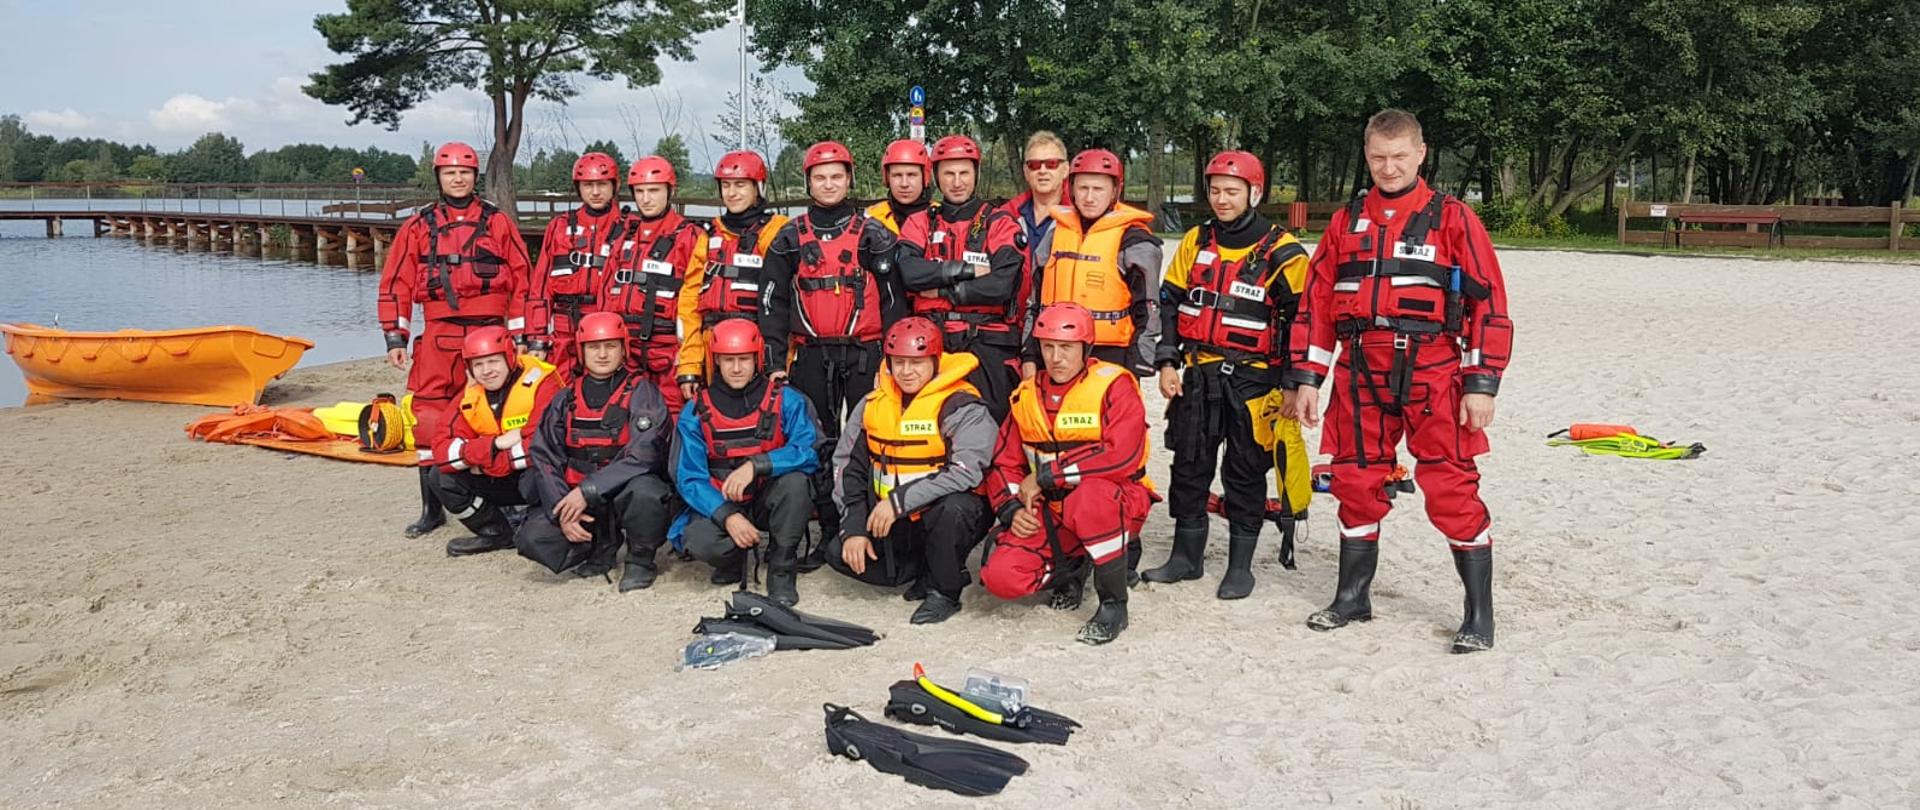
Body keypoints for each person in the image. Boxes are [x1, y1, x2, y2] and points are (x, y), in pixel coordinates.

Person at [1280, 109, 1515, 653]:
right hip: (1360, 369)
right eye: (1379, 157)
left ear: (1420, 154)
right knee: (1354, 482)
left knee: (1451, 488)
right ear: (1367, 156)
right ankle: (1352, 598)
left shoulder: (1453, 218)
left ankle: (1479, 614)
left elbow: (1489, 303)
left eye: (1399, 156)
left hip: (1433, 369)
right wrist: (1308, 378)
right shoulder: (1345, 221)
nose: (1389, 167)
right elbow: (1316, 306)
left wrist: (1482, 383)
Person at [1144, 150, 1312, 600]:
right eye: (1215, 190)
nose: (1221, 199)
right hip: (1197, 374)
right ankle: (1186, 558)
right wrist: (1166, 361)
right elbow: (1170, 305)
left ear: (1254, 193)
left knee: (1245, 471)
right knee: (1190, 466)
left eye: (1232, 191)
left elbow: (1303, 322)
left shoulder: (1285, 252)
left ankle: (1241, 567)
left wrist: (1296, 384)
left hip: (1254, 381)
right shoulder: (1196, 242)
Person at [377, 141, 536, 539]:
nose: (458, 178)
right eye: (450, 172)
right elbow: (396, 281)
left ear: (474, 176)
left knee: (496, 413)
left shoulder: (498, 223)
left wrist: (520, 335)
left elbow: (521, 279)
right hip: (439, 334)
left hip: (489, 334)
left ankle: (504, 500)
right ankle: (432, 508)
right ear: (439, 177)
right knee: (428, 419)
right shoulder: (418, 227)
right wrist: (395, 336)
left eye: (464, 172)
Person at [761, 140, 903, 569]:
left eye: (836, 177)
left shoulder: (875, 234)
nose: (828, 184)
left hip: (865, 353)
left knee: (868, 442)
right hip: (810, 356)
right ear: (808, 182)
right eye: (820, 177)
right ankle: (825, 528)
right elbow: (772, 303)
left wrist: (895, 362)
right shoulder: (788, 237)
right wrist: (773, 361)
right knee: (818, 442)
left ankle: (870, 528)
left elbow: (896, 300)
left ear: (849, 180)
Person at [980, 304, 1157, 645]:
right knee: (1000, 576)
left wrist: (1048, 475)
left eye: (1066, 347)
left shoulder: (1115, 386)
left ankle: (1113, 605)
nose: (1056, 357)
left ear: (1086, 348)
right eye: (1048, 347)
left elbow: (1123, 454)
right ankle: (1069, 572)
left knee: (1090, 497)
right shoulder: (1027, 396)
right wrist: (1011, 510)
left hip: (1117, 504)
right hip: (1053, 513)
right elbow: (1004, 464)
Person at [825, 317, 995, 624]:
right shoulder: (871, 404)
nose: (906, 372)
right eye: (898, 363)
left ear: (935, 360)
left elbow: (967, 472)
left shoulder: (962, 406)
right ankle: (925, 568)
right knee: (839, 552)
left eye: (916, 363)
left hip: (941, 513)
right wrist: (854, 527)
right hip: (893, 520)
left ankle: (945, 591)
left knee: (955, 509)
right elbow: (848, 466)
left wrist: (899, 501)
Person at [516, 312, 676, 591]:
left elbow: (644, 454)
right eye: (593, 347)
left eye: (610, 346)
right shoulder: (565, 397)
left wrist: (588, 490)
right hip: (581, 499)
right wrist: (561, 511)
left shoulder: (643, 392)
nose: (602, 354)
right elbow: (544, 456)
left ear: (624, 349)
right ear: (581, 350)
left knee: (647, 493)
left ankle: (640, 560)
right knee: (532, 537)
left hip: (622, 493)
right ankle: (596, 548)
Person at [673, 320, 822, 606]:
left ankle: (781, 567)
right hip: (721, 501)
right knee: (700, 540)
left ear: (757, 359)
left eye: (743, 359)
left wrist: (758, 463)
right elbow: (690, 478)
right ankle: (731, 559)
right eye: (728, 360)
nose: (737, 368)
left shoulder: (786, 400)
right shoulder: (695, 410)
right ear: (716, 361)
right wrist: (727, 515)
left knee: (797, 483)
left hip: (769, 499)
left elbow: (808, 451)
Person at [897, 134, 1030, 423]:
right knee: (928, 425)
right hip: (933, 342)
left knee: (993, 427)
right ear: (935, 176)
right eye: (949, 173)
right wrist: (966, 272)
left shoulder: (999, 223)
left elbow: (1001, 286)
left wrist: (942, 291)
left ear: (976, 174)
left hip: (986, 342)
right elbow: (908, 272)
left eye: (964, 173)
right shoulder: (920, 222)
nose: (957, 182)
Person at [1025, 148, 1162, 379]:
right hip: (1056, 352)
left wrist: (1140, 359)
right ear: (1072, 190)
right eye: (1083, 188)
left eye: (1098, 189)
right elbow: (1034, 302)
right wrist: (1029, 354)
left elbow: (1149, 308)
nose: (1089, 197)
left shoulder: (1134, 241)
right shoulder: (1054, 234)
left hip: (1111, 353)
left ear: (1114, 192)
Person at [426, 326, 562, 557]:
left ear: (510, 356)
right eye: (478, 364)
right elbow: (441, 451)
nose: (486, 371)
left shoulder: (543, 383)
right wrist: (495, 444)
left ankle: (543, 525)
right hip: (502, 466)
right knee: (441, 478)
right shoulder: (471, 395)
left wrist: (482, 461)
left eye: (493, 361)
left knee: (536, 476)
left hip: (538, 474)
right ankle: (496, 532)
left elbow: (543, 444)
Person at [600, 155, 707, 416]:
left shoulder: (689, 237)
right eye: (640, 192)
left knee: (673, 417)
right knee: (624, 415)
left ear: (670, 191)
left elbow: (695, 299)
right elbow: (606, 289)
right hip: (626, 349)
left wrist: (690, 358)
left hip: (668, 349)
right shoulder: (623, 235)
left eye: (654, 190)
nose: (646, 199)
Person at [693, 150, 790, 372]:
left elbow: (784, 299)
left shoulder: (778, 230)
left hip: (758, 343)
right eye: (726, 185)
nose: (732, 193)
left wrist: (779, 360)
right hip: (714, 345)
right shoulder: (709, 235)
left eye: (740, 185)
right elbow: (690, 301)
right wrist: (690, 363)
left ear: (758, 188)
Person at [529, 152, 625, 372]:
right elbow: (540, 286)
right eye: (588, 185)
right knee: (559, 392)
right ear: (578, 187)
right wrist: (537, 337)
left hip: (606, 330)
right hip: (564, 329)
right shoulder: (559, 226)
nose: (595, 192)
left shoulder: (629, 229)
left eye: (602, 184)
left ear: (614, 186)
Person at [1001, 131, 1069, 271]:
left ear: (1066, 170)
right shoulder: (1006, 216)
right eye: (1034, 165)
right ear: (1026, 171)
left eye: (1051, 164)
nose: (1042, 171)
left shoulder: (1081, 218)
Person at [865, 138, 933, 235]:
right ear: (887, 178)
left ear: (924, 177)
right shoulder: (871, 217)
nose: (904, 184)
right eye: (897, 175)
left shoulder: (940, 216)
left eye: (911, 175)